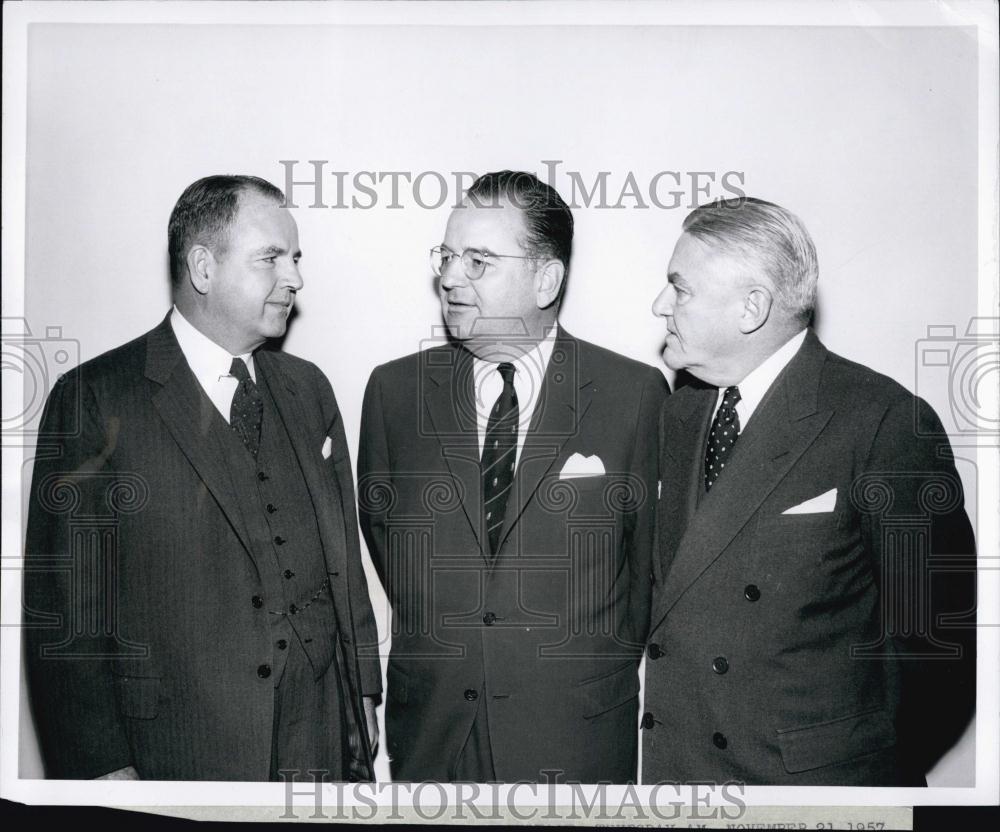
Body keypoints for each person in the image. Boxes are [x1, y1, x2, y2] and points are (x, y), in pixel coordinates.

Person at [24, 175, 381, 781]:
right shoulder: (94, 397)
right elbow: (64, 609)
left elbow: (342, 555)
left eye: (294, 259)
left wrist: (363, 693)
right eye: (271, 258)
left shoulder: (308, 388)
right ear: (203, 268)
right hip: (181, 748)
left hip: (319, 740)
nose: (294, 278)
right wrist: (100, 765)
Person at [642, 197, 976, 786]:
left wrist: (853, 773)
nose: (660, 305)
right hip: (685, 780)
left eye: (680, 288)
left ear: (752, 308)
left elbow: (941, 649)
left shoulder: (882, 422)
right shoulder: (681, 412)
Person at [358, 170, 668, 783]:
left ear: (545, 279)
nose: (449, 278)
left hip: (573, 737)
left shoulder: (633, 395)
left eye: (478, 261)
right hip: (435, 735)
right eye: (447, 256)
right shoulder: (393, 393)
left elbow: (646, 578)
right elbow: (388, 545)